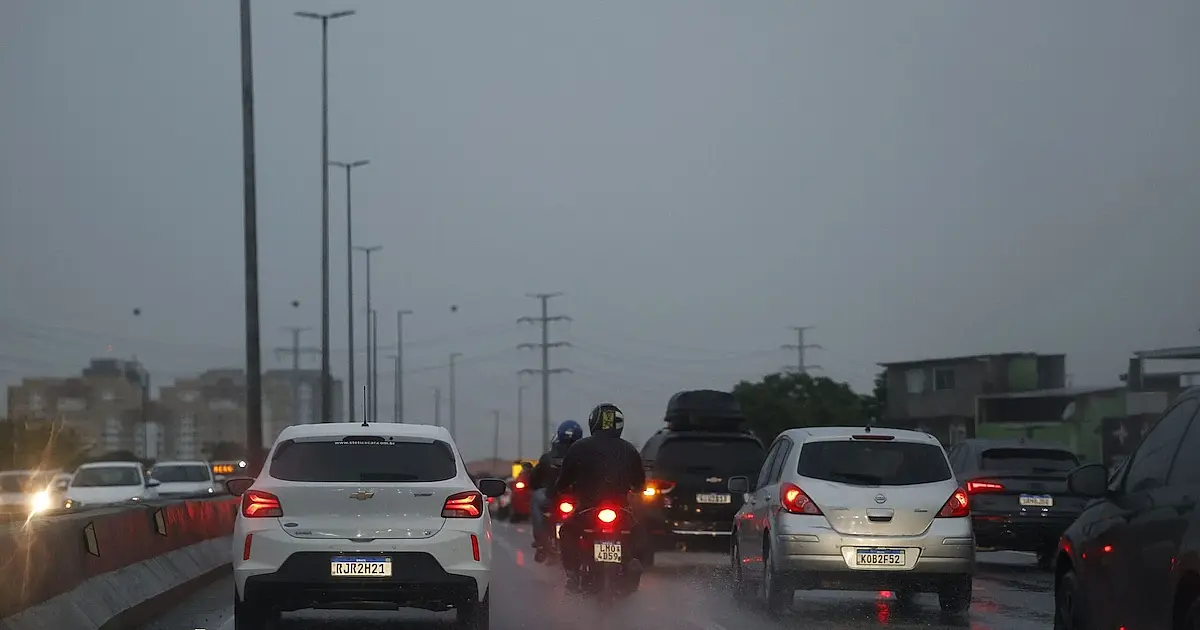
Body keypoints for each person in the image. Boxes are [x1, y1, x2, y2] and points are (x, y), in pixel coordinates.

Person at [550, 402, 646, 593]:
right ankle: (632, 564)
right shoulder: (630, 450)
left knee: (567, 531)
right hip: (622, 512)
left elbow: (564, 480)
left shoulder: (578, 447)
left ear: (593, 422)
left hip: (587, 510)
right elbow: (639, 484)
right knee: (638, 533)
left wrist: (559, 490)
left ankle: (573, 573)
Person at [529, 420, 583, 552]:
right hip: (578, 498)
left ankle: (540, 539)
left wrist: (537, 486)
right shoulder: (585, 454)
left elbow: (535, 479)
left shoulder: (548, 457)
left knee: (536, 499)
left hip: (553, 495)